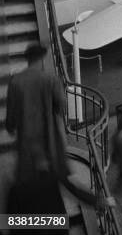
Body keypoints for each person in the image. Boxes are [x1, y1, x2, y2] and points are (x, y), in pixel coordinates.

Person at [6, 43, 105, 216]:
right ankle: (98, 202)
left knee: (30, 194)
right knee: (61, 182)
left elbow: (11, 121)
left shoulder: (15, 81)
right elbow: (61, 107)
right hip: (49, 141)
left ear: (27, 59)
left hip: (27, 147)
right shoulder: (50, 79)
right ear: (42, 58)